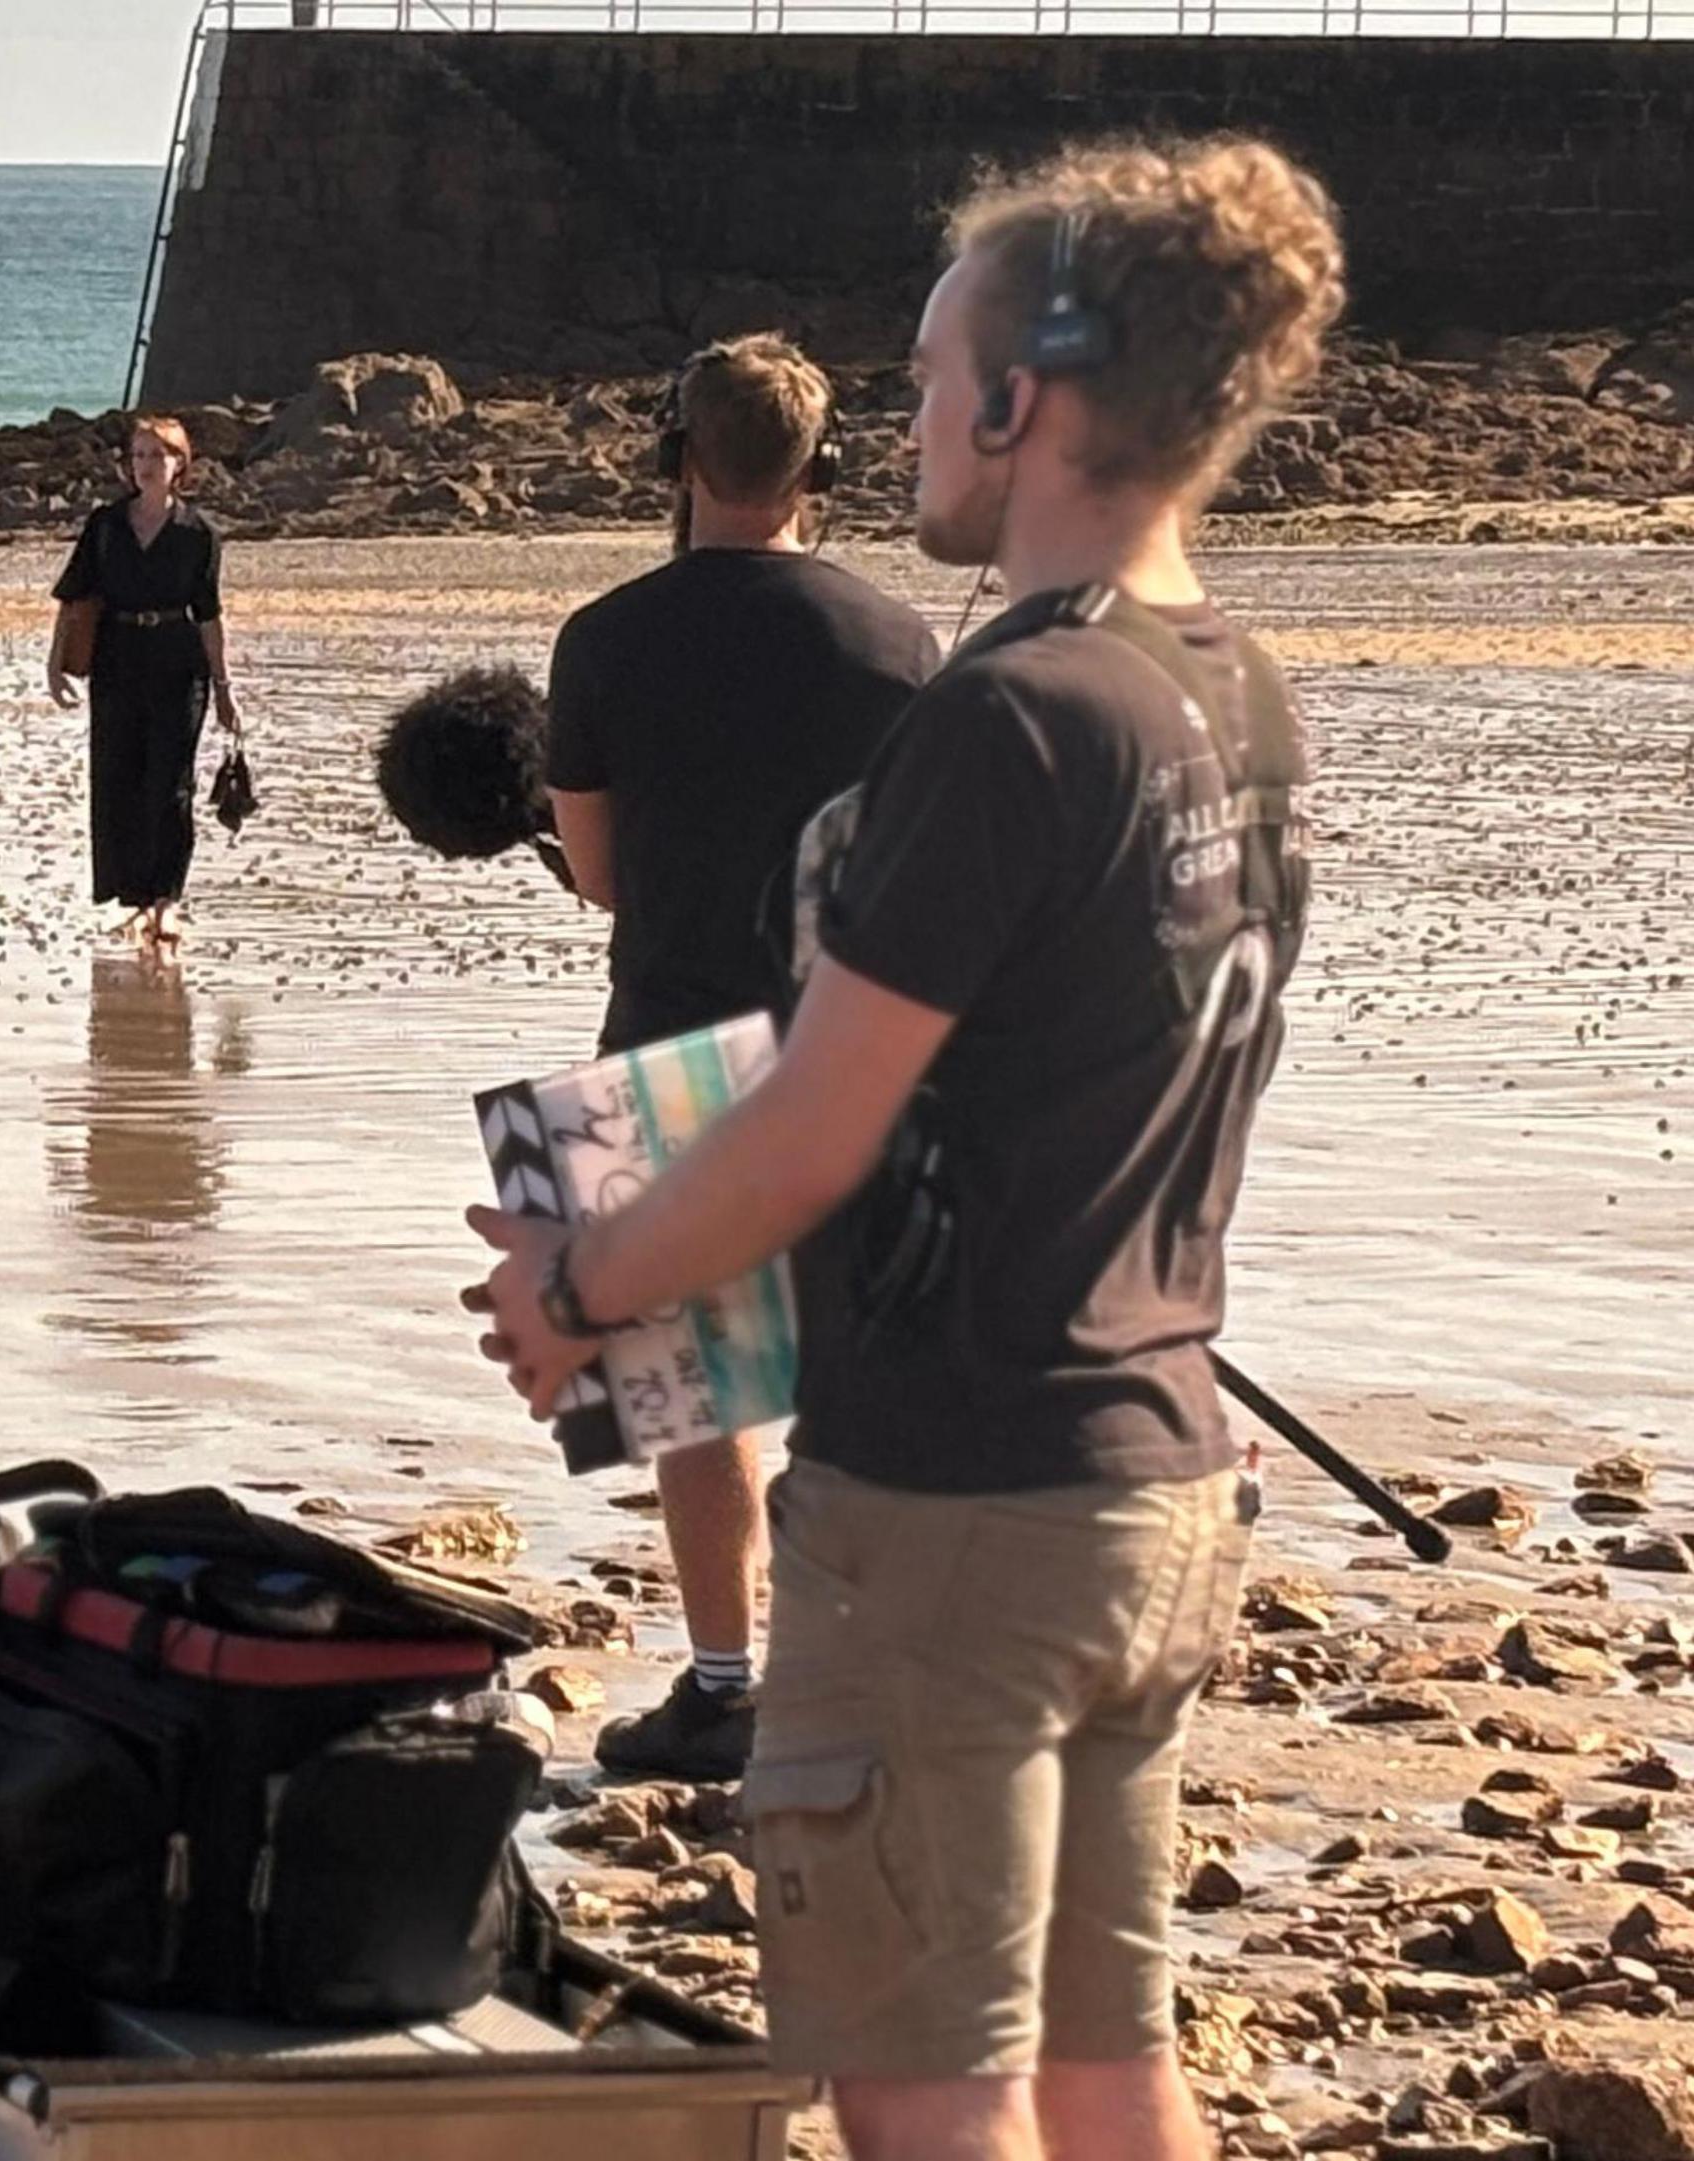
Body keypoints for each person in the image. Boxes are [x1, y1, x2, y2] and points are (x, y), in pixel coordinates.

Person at [469, 134, 1340, 2160]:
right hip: (1147, 1480)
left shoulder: (1018, 711)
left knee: (924, 2100)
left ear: (1027, 398)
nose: (920, 417)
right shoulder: (1233, 690)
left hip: (954, 1514)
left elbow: (811, 1125)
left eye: (939, 370)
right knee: (1118, 2078)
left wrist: (579, 1285)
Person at [540, 333, 939, 1784]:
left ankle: (721, 1688)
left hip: (664, 1033)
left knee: (694, 1398)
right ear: (821, 473)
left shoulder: (603, 638)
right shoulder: (900, 645)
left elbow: (599, 876)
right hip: (846, 1054)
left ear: (676, 462)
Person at [50, 414, 242, 947]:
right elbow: (74, 596)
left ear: (180, 464)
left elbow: (208, 613)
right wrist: (55, 664)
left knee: (170, 783)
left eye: (157, 456)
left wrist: (224, 689)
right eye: (138, 456)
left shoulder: (198, 533)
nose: (146, 466)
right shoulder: (105, 525)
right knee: (119, 780)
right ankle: (133, 899)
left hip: (178, 663)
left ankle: (167, 900)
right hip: (116, 659)